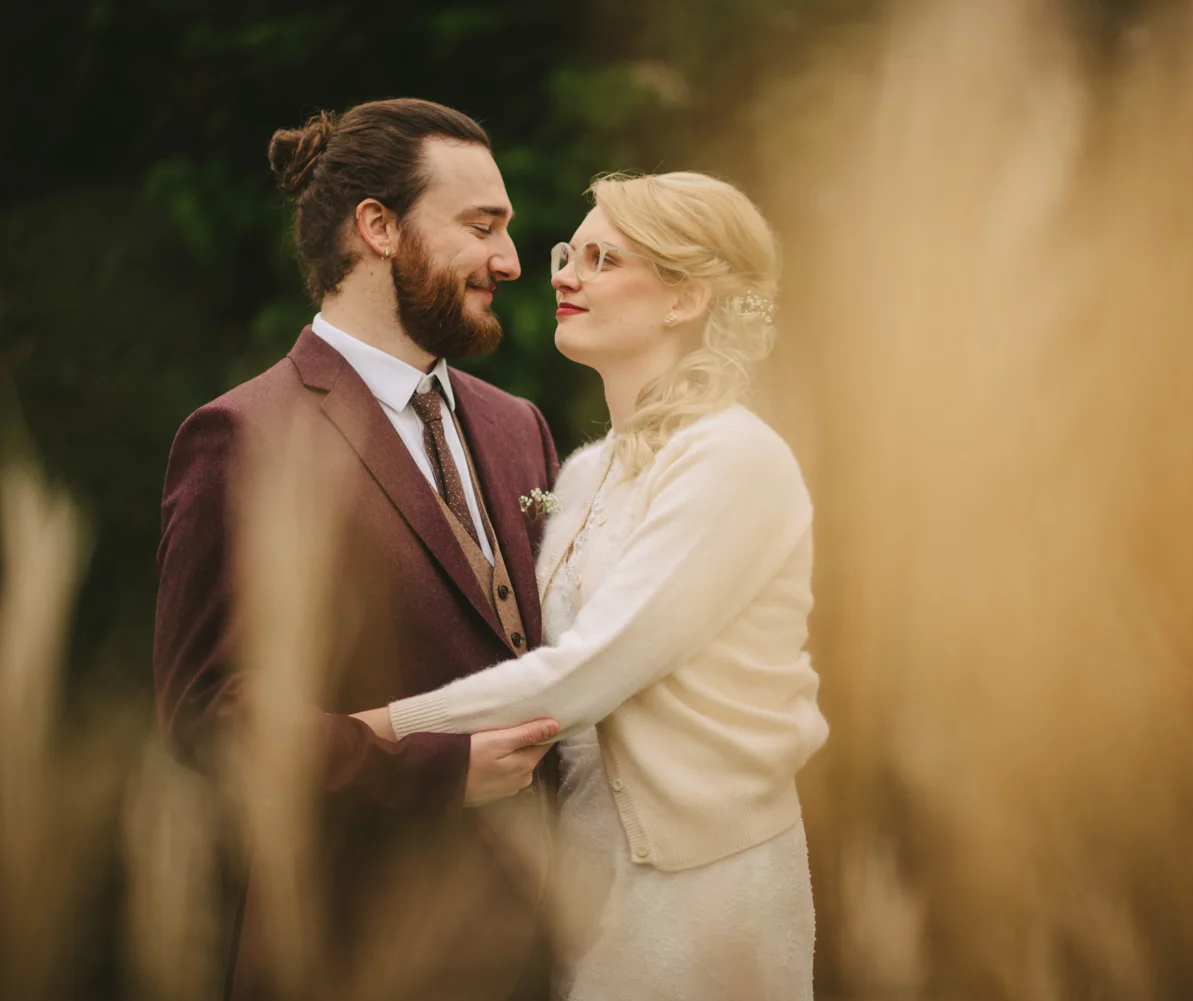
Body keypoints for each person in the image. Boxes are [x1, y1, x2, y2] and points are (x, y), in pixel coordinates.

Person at [355, 171, 829, 999]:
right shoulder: (582, 474)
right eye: (570, 251)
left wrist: (376, 730)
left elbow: (585, 671)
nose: (564, 276)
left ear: (683, 300)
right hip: (584, 890)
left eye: (602, 258)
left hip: (699, 887)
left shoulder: (733, 459)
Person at [153, 98, 561, 1001]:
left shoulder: (516, 426)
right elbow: (205, 716)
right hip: (352, 952)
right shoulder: (243, 435)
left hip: (540, 947)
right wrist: (434, 769)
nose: (511, 260)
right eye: (482, 226)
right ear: (377, 226)